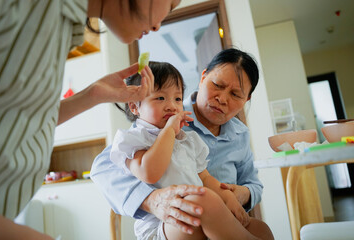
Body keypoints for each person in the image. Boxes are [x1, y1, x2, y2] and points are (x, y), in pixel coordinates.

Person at [0, 0, 196, 239]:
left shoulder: (64, 29)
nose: (158, 26)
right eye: (170, 3)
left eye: (177, 98)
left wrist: (94, 94)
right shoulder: (29, 8)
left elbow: (22, 116)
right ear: (135, 108)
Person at [91, 48, 274, 239]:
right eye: (217, 85)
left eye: (236, 94)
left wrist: (235, 195)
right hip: (169, 223)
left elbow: (221, 180)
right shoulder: (154, 128)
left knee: (261, 229)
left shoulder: (200, 138)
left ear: (247, 99)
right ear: (203, 77)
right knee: (203, 200)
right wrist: (150, 199)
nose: (222, 98)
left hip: (215, 221)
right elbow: (104, 166)